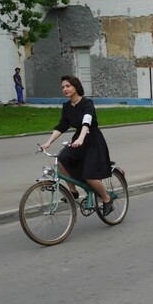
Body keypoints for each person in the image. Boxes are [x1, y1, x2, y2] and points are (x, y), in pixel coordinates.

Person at [39, 75, 115, 215]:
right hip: (77, 141)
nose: (65, 89)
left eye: (68, 86)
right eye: (63, 87)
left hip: (92, 140)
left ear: (76, 86)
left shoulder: (87, 103)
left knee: (89, 175)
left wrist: (80, 139)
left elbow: (87, 122)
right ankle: (73, 192)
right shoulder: (67, 106)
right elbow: (62, 126)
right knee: (62, 159)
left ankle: (106, 198)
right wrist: (48, 142)